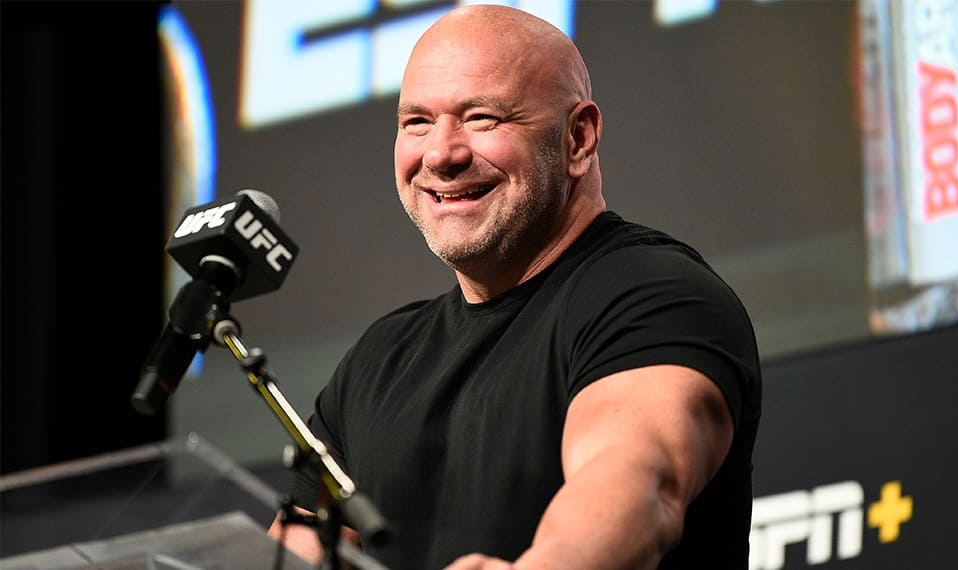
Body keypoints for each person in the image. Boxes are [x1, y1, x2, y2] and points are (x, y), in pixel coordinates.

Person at [267, 4, 761, 569]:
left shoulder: (654, 297)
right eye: (417, 122)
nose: (441, 154)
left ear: (578, 138)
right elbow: (290, 553)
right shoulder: (378, 361)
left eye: (482, 118)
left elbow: (634, 484)